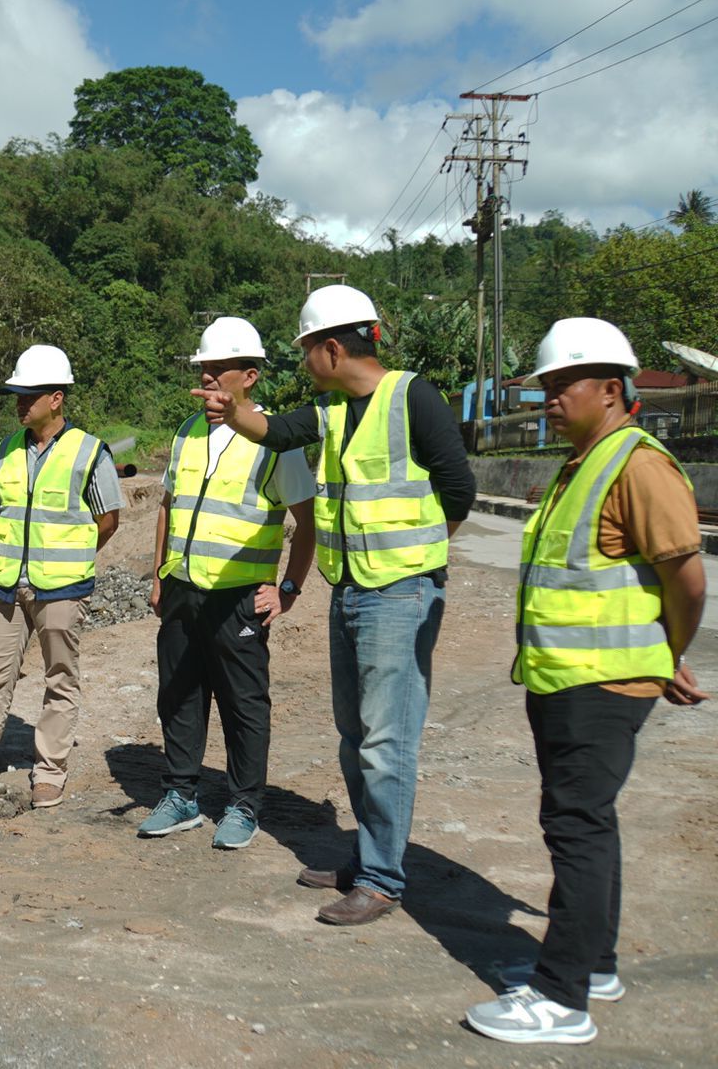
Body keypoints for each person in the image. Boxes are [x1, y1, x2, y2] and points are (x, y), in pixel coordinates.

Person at [193, 284, 475, 925]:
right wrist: (231, 408)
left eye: (304, 352)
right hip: (350, 590)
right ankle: (367, 857)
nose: (302, 364)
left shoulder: (412, 398)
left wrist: (422, 558)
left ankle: (381, 879)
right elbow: (274, 431)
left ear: (330, 347)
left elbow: (458, 488)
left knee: (386, 740)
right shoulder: (334, 411)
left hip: (399, 593)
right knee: (354, 736)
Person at [464, 318, 707, 1045]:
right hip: (571, 680)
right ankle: (593, 965)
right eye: (544, 387)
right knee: (586, 822)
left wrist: (669, 651)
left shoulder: (636, 465)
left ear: (610, 389)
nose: (549, 399)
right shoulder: (585, 462)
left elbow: (686, 578)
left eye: (560, 385)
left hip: (600, 686)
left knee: (577, 827)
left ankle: (562, 999)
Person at [142, 317, 317, 849]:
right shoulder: (186, 433)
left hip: (240, 599)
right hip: (182, 591)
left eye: (220, 370)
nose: (210, 379)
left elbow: (306, 521)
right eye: (204, 369)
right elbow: (169, 507)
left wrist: (287, 591)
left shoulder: (276, 440)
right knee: (178, 696)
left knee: (244, 705)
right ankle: (181, 796)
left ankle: (243, 805)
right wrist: (159, 576)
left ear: (251, 376)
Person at [0, 344, 122, 811]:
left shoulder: (89, 452)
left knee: (61, 679)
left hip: (61, 590)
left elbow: (108, 520)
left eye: (28, 395)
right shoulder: (7, 450)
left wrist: (67, 558)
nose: (19, 402)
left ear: (56, 398)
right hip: (6, 589)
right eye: (15, 394)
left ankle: (50, 772)